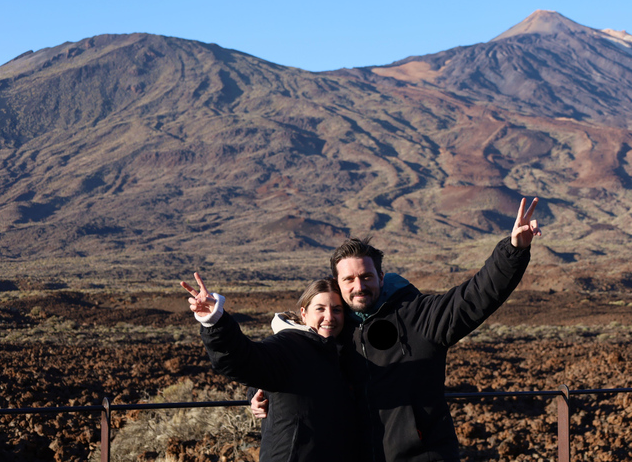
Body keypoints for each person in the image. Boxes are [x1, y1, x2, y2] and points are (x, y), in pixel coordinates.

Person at [254, 196, 541, 462]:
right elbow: (289, 360)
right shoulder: (335, 331)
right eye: (349, 279)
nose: (359, 286)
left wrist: (513, 250)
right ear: (338, 283)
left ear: (381, 276)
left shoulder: (419, 316)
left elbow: (475, 297)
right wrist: (259, 392)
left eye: (366, 276)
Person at [183, 275, 357, 462]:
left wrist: (257, 392)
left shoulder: (344, 352)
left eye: (336, 310)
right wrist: (215, 320)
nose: (329, 317)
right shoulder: (289, 345)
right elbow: (244, 360)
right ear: (304, 313)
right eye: (320, 309)